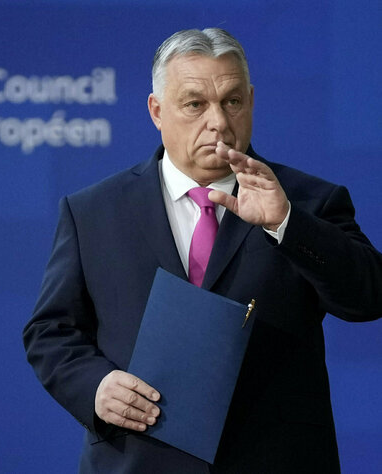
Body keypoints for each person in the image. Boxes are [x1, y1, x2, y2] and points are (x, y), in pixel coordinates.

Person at [23, 27, 382, 473]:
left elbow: (368, 298)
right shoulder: (93, 211)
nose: (219, 122)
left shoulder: (308, 202)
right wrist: (95, 387)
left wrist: (287, 224)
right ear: (157, 111)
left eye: (232, 101)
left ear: (251, 101)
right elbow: (50, 331)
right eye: (195, 104)